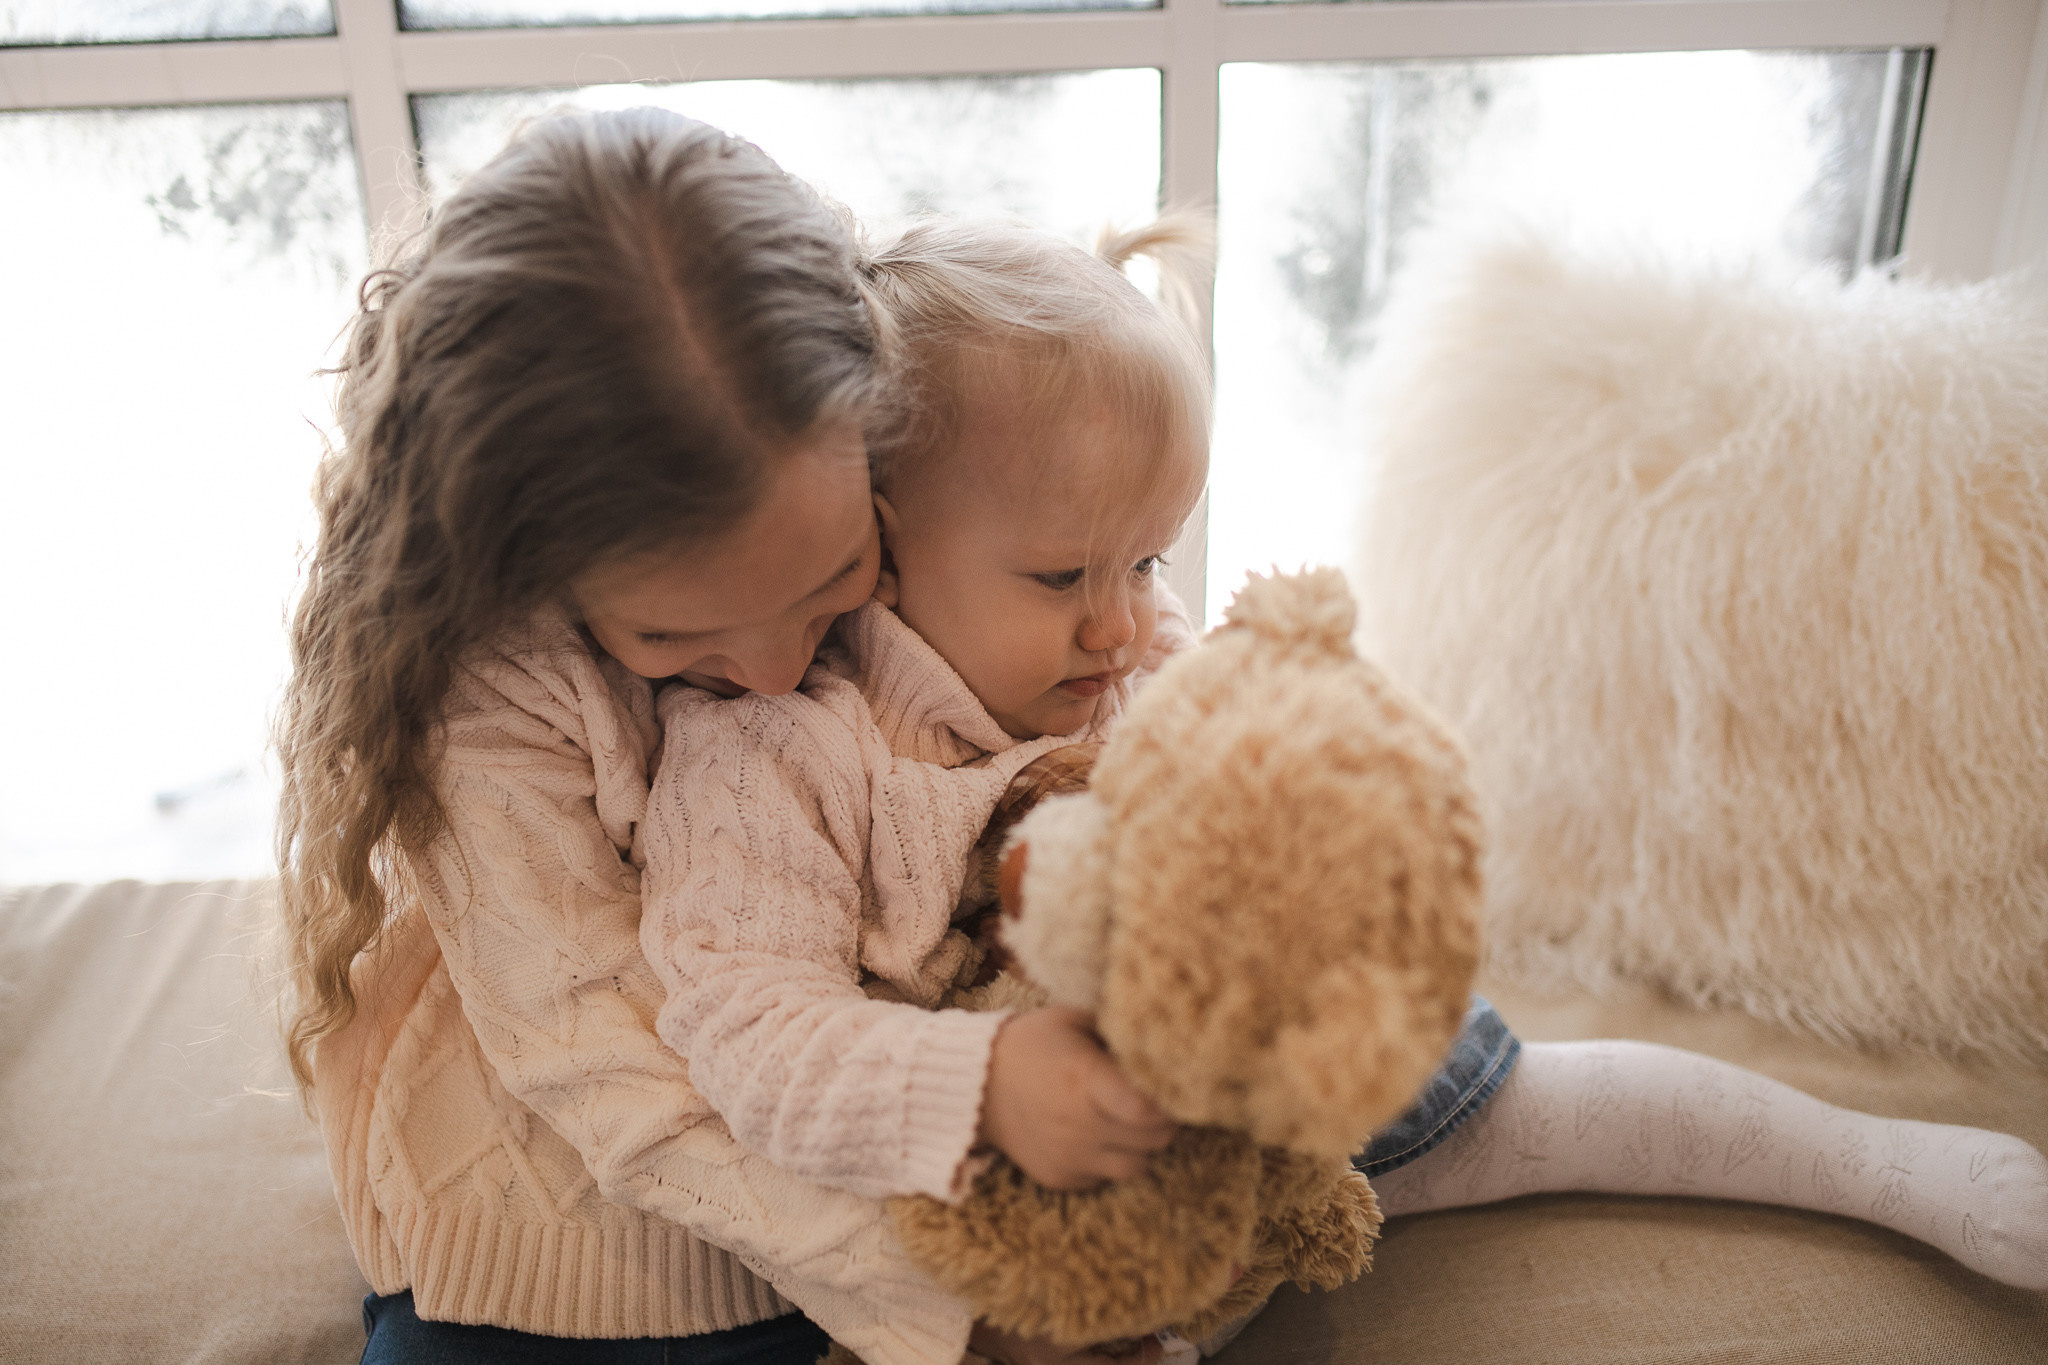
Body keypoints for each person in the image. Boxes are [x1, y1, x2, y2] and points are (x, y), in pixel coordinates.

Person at [275, 106, 2045, 1365]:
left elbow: (1108, 636)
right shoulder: (601, 719)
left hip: (978, 1041)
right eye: (674, 641)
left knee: (1447, 1079)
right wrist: (967, 1293)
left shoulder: (884, 486)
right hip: (629, 1188)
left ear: (872, 467)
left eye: (834, 580)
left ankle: (1870, 1160)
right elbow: (663, 1073)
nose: (762, 667)